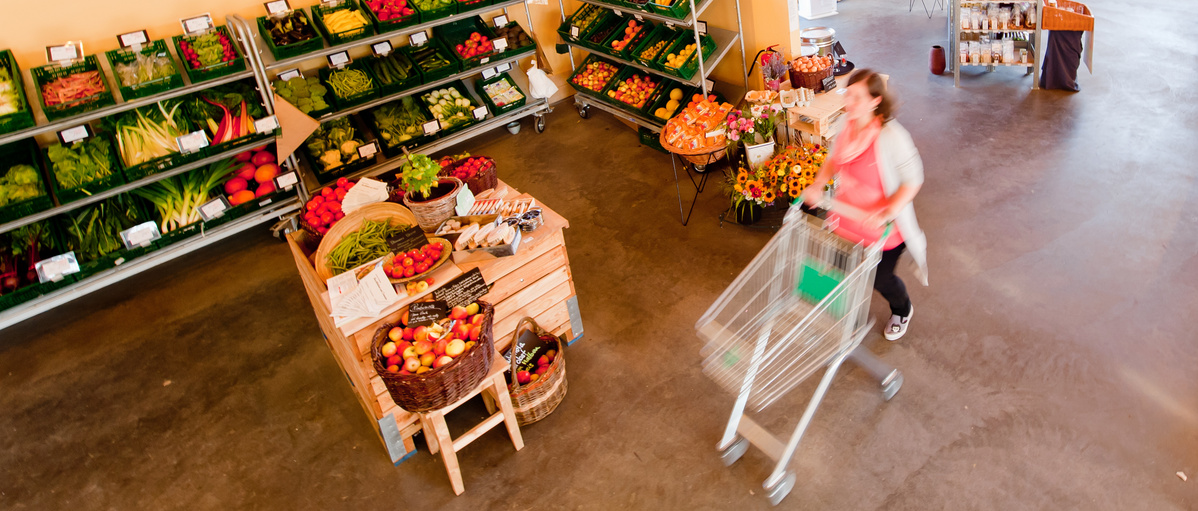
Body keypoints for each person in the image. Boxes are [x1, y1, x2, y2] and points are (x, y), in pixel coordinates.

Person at [801, 69, 929, 341]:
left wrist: (887, 211)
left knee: (880, 279)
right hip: (848, 219)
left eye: (857, 97)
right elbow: (833, 160)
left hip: (884, 229)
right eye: (848, 95)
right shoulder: (846, 126)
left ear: (875, 101)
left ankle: (902, 308)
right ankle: (846, 316)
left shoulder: (892, 136)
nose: (850, 103)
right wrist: (817, 184)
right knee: (838, 270)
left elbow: (913, 180)